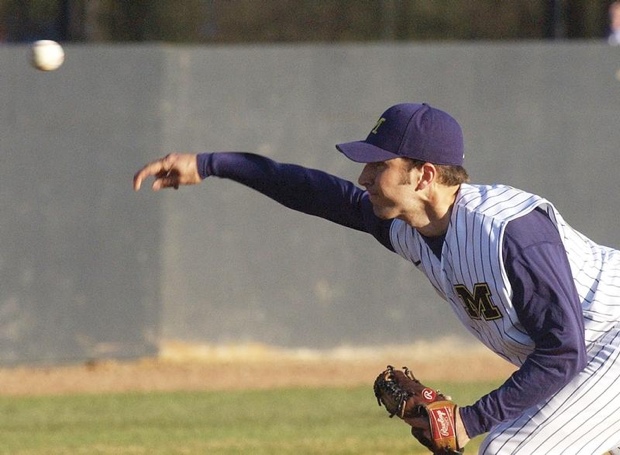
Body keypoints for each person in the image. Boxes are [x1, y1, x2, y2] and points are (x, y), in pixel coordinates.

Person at [133, 103, 620, 454]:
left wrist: (468, 420)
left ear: (424, 175)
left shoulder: (510, 231)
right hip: (586, 353)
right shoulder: (410, 226)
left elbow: (564, 351)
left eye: (379, 164)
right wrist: (212, 165)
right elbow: (317, 192)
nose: (365, 176)